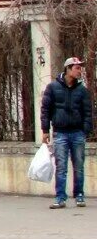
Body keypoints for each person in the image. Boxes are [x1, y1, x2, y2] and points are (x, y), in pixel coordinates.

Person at [40, 56, 92, 209]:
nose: (79, 71)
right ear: (68, 69)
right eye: (77, 68)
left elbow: (88, 112)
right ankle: (60, 197)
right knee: (61, 166)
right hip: (60, 133)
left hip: (77, 133)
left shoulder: (82, 90)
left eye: (80, 68)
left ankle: (79, 195)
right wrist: (45, 130)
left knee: (79, 166)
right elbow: (46, 110)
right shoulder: (53, 87)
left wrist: (85, 130)